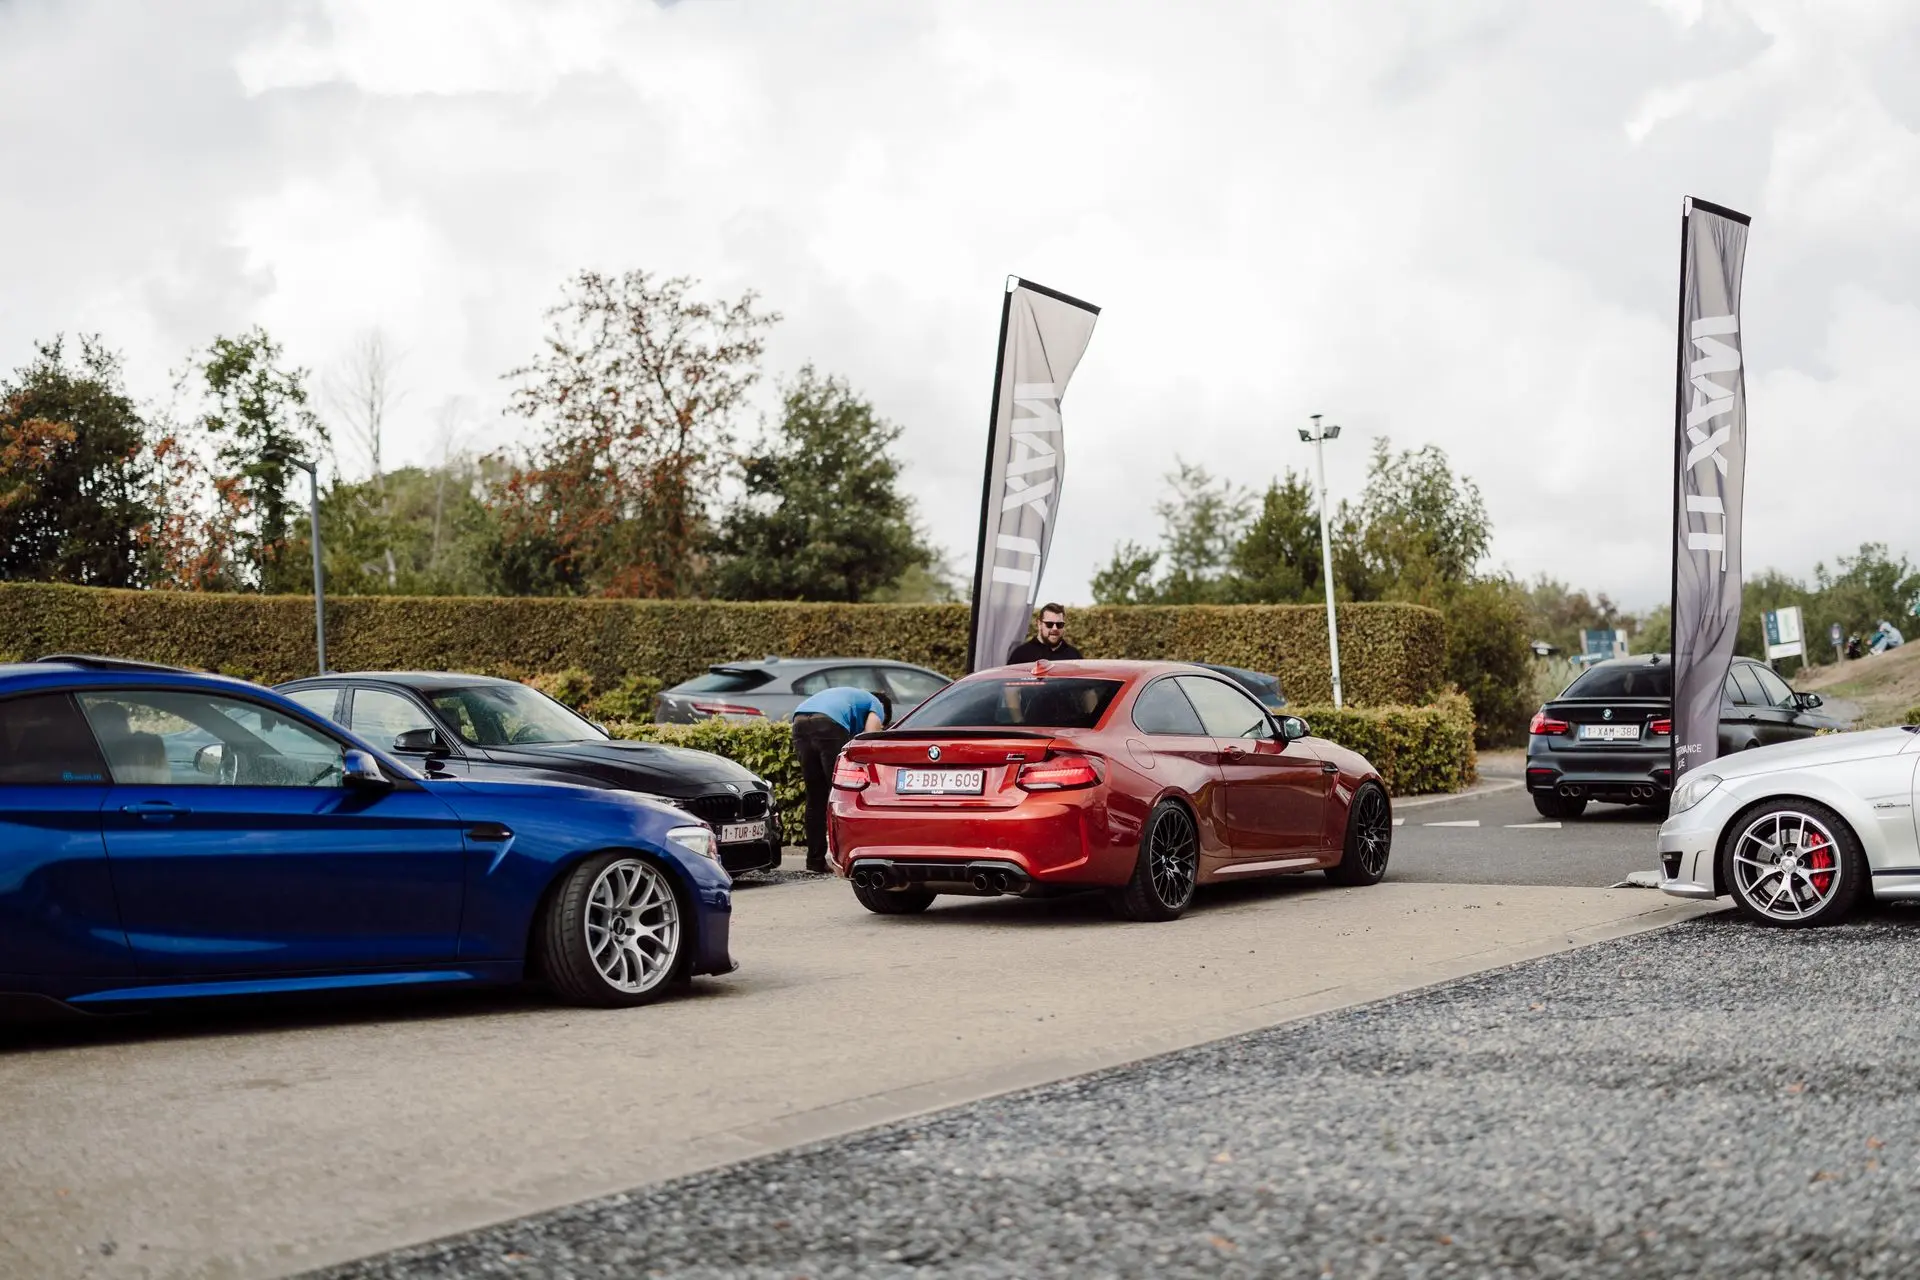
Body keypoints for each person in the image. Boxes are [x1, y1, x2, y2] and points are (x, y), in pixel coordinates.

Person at [790, 685, 891, 873]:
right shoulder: (876, 703)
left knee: (815, 797)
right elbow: (868, 741)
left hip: (800, 721)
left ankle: (814, 861)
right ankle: (847, 858)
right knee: (842, 794)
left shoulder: (853, 697)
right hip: (829, 724)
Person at [1007, 602, 1083, 665]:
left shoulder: (1074, 656)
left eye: (1059, 624)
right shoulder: (1021, 654)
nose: (1055, 628)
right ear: (1039, 624)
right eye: (1049, 624)